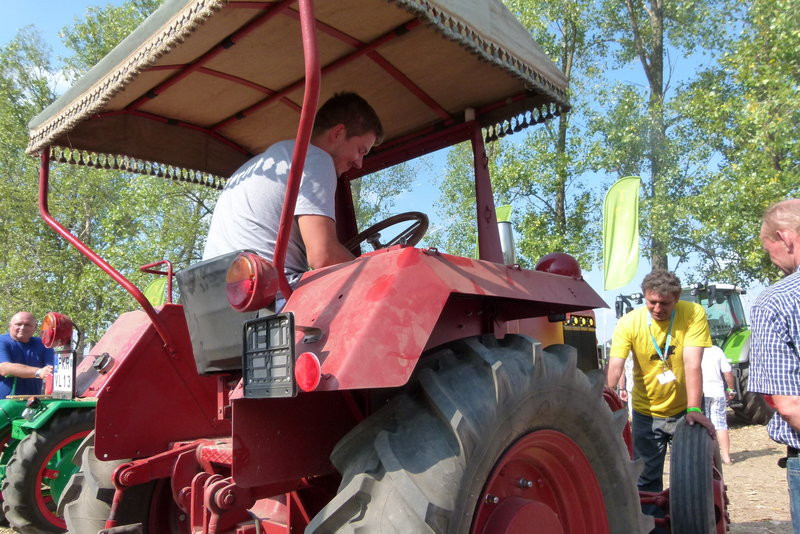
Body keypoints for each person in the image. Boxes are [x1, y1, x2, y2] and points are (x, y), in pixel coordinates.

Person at [203, 92, 384, 283]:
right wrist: (378, 278)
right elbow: (323, 255)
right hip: (269, 296)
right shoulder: (316, 159)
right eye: (360, 150)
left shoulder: (262, 163)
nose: (359, 163)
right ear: (338, 133)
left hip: (215, 296)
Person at [606, 269, 715, 505]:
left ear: (676, 299)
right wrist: (604, 398)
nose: (657, 309)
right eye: (652, 302)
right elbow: (616, 365)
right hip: (647, 412)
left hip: (686, 411)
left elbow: (692, 363)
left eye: (665, 303)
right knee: (646, 482)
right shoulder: (629, 323)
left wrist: (694, 410)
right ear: (645, 297)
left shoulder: (693, 313)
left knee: (691, 479)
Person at [748, 198, 800, 532]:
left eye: (771, 251)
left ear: (786, 238)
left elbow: (789, 403)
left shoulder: (776, 301)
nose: (775, 262)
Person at [0, 312, 54, 398]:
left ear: (35, 328)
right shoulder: (2, 341)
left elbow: (51, 370)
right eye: (18, 324)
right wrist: (39, 372)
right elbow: (4, 368)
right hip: (4, 404)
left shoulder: (43, 344)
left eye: (27, 325)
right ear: (10, 326)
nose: (22, 328)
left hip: (33, 403)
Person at [701, 344, 736, 464]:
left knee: (703, 424)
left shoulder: (692, 350)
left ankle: (707, 456)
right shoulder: (717, 350)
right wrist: (731, 389)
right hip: (717, 392)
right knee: (720, 424)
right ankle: (726, 457)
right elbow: (728, 372)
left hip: (700, 393)